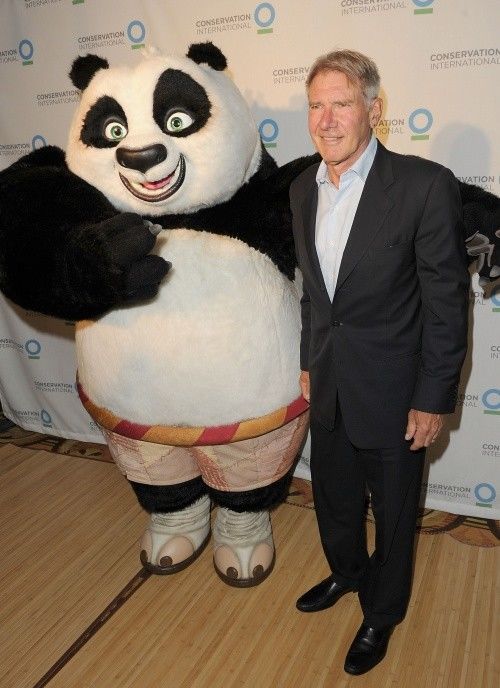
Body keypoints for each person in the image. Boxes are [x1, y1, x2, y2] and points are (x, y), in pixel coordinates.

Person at [289, 49, 469, 676]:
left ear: (374, 109)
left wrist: (432, 396)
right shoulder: (301, 189)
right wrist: (309, 360)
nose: (326, 119)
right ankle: (346, 572)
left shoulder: (424, 186)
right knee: (334, 499)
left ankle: (382, 612)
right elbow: (313, 294)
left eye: (341, 103)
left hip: (395, 390)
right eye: (316, 105)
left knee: (392, 514)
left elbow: (446, 304)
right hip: (329, 381)